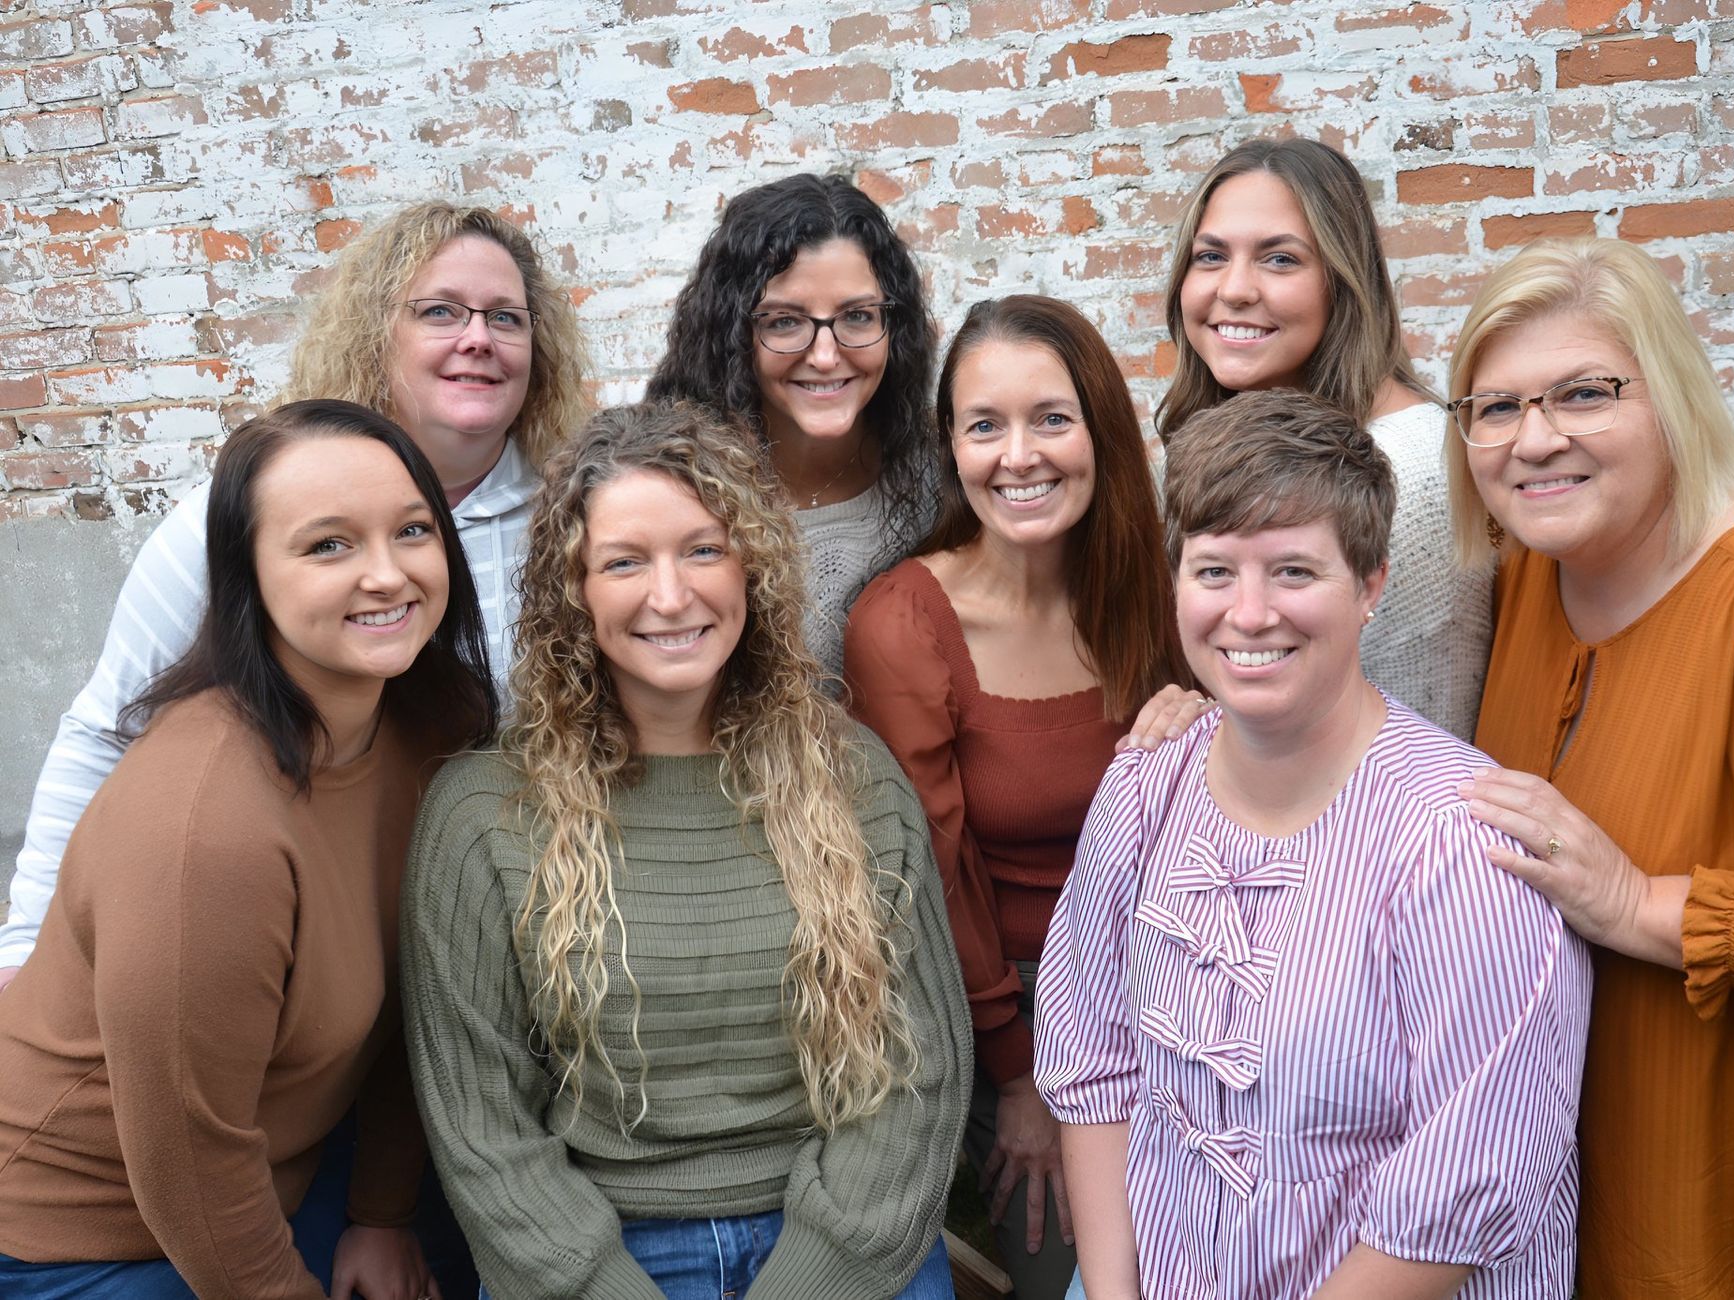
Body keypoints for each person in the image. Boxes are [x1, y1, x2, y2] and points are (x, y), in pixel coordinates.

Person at [401, 402, 970, 1300]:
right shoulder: (483, 814)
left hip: (842, 1245)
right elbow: (483, 1130)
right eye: (624, 561)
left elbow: (918, 1072)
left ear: (753, 566)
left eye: (704, 549)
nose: (671, 596)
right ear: (572, 591)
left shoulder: (850, 778)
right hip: (602, 1256)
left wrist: (812, 1281)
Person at [1036, 390, 1590, 1300]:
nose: (1249, 615)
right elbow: (1095, 1064)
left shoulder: (1459, 847)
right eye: (1215, 572)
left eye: (1293, 571)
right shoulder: (1144, 786)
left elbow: (1470, 1184)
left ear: (1370, 585)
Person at [1449, 237, 1734, 1298]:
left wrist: (1644, 903)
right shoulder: (1534, 576)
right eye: (1495, 407)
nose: (1536, 439)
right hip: (1603, 1210)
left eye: (1583, 393)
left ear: (1671, 395)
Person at [0, 200, 591, 990]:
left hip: (511, 941)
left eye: (506, 318)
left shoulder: (576, 518)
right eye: (440, 311)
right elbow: (108, 728)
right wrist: (22, 951)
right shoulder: (247, 510)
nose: (477, 338)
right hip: (311, 939)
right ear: (376, 333)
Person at [0, 400, 497, 1299]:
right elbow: (188, 1163)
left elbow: (422, 999)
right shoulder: (206, 827)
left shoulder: (431, 729)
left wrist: (381, 1214)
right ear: (249, 578)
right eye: (328, 546)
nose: (386, 575)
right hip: (89, 1226)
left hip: (289, 1167)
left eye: (413, 531)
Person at [843, 296, 1182, 1300]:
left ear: (1100, 432)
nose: (1018, 454)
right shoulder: (905, 620)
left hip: (1174, 984)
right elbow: (934, 873)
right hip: (1015, 1012)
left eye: (1051, 418)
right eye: (984, 424)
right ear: (950, 447)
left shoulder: (1158, 589)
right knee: (1068, 1269)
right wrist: (1020, 1078)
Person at [1129, 137, 1490, 747]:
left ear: (1342, 280)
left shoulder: (1411, 468)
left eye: (1280, 260)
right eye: (1211, 256)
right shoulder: (1220, 443)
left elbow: (1414, 729)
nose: (1235, 288)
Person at [646, 172, 940, 678]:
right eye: (784, 321)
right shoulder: (672, 488)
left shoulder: (946, 480)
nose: (826, 356)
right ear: (734, 332)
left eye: (858, 317)